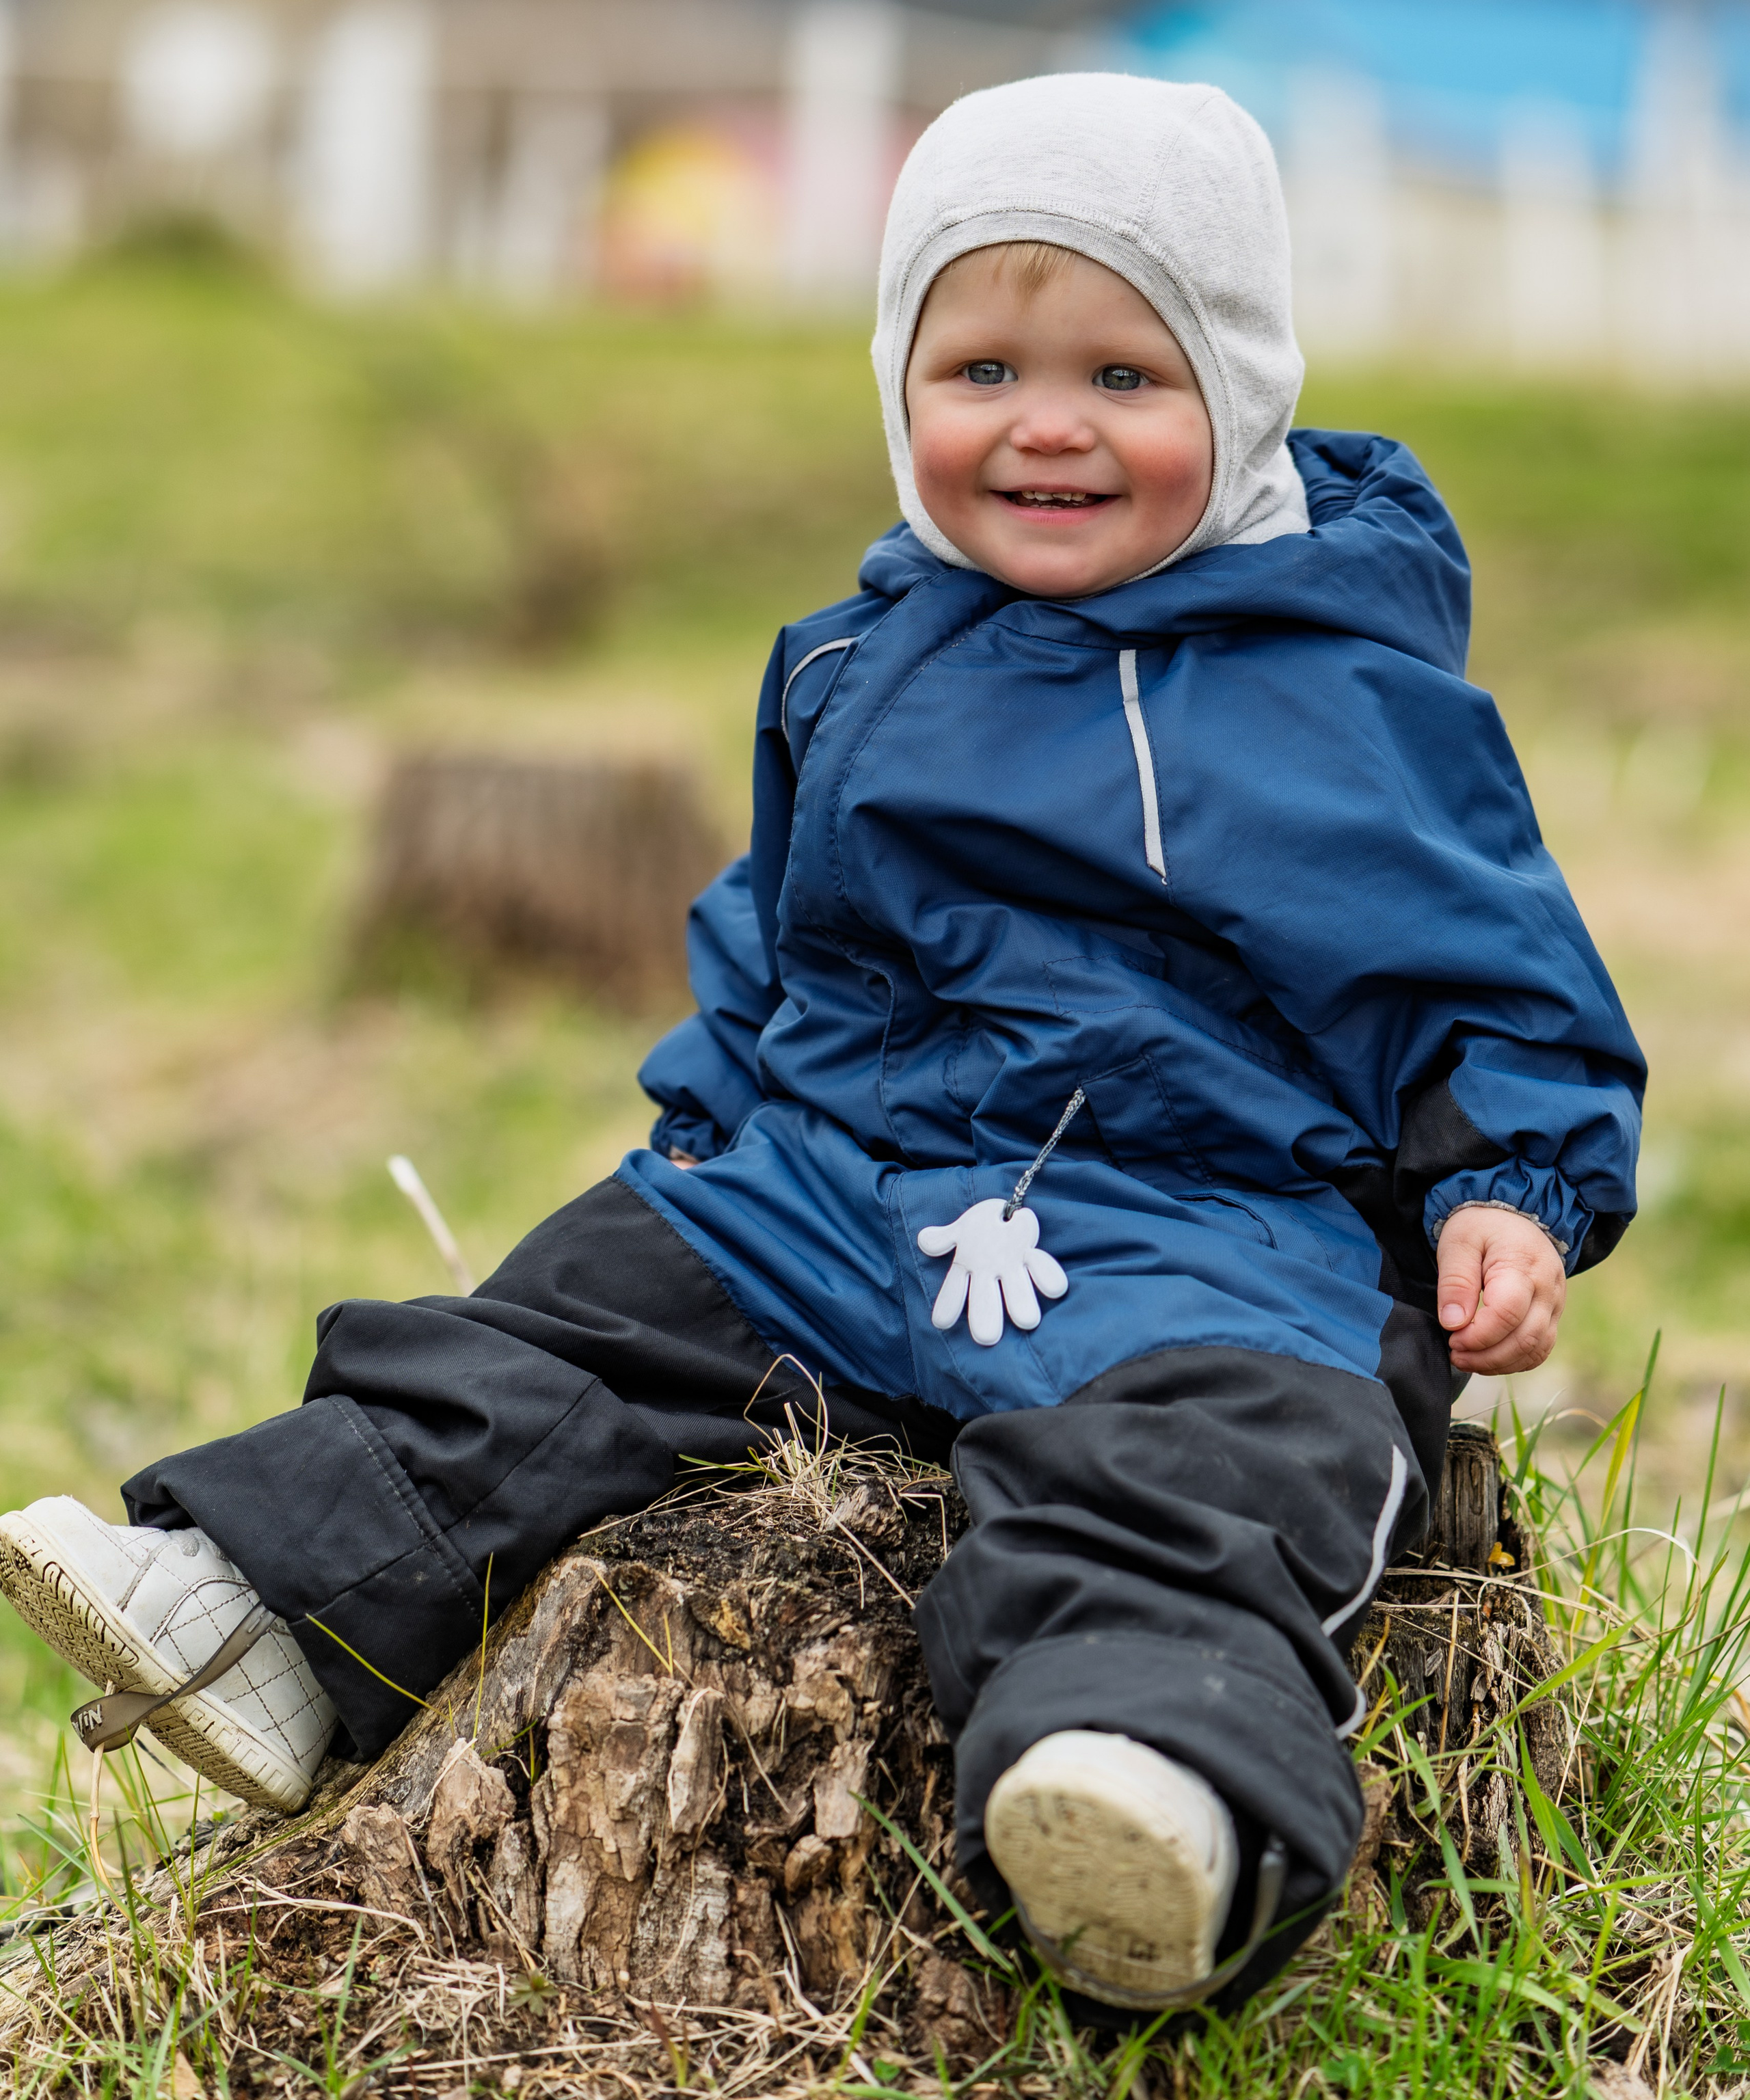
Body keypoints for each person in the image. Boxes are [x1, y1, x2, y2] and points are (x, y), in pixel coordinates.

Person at [0, 73, 1642, 2016]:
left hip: (1195, 1222)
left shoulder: (1335, 692)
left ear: (1244, 389)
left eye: (1126, 376)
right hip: (848, 1186)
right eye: (983, 369)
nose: (1046, 423)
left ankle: (1146, 1786)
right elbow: (783, 929)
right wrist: (713, 1135)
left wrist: (1514, 1186)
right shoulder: (866, 654)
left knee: (1214, 1469)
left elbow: (1490, 965)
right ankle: (275, 1621)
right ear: (898, 382)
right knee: (566, 1330)